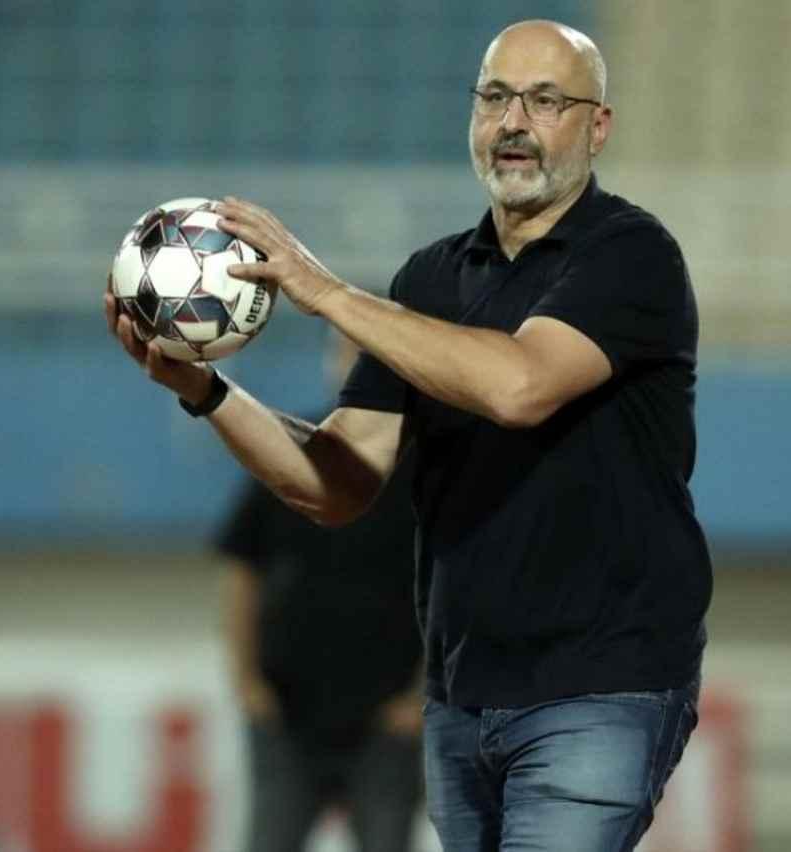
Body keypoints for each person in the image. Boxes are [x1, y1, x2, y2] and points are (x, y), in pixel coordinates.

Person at [105, 18, 711, 852]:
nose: (513, 123)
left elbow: (520, 386)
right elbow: (335, 480)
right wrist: (205, 391)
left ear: (597, 126)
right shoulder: (429, 280)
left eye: (545, 101)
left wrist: (327, 294)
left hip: (600, 686)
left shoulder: (630, 256)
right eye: (494, 98)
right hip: (464, 695)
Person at [216, 333, 424, 852]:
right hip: (287, 712)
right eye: (348, 353)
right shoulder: (288, 449)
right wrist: (247, 682)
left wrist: (421, 696)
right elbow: (242, 570)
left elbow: (454, 592)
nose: (359, 367)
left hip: (386, 719)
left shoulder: (428, 472)